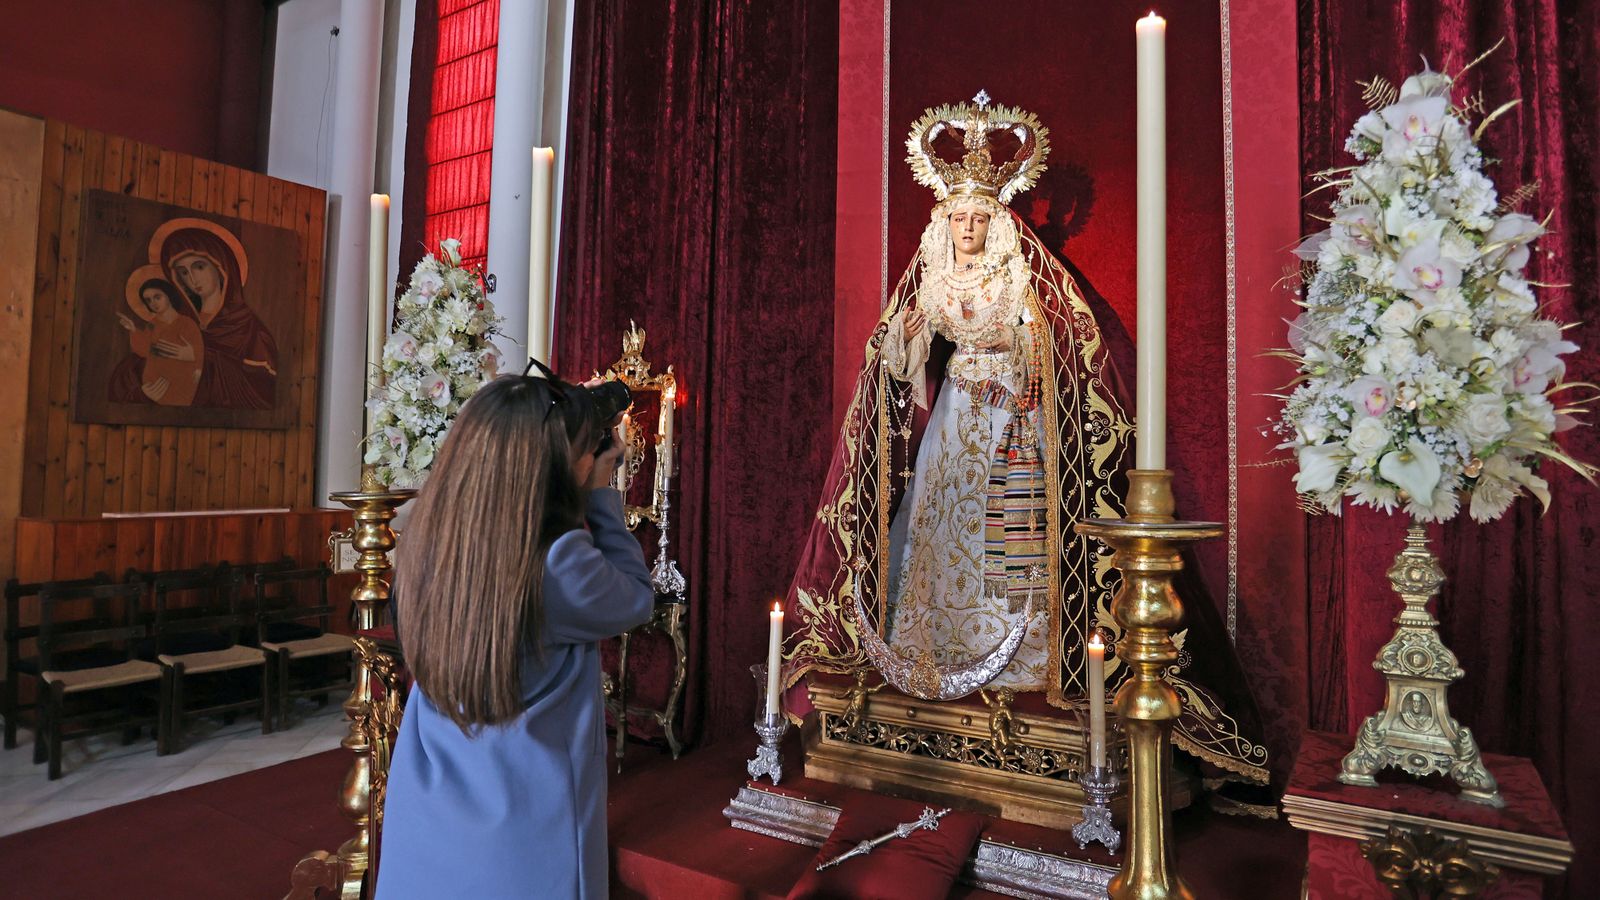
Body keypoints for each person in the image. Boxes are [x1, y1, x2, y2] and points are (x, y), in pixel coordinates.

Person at [778, 92, 1271, 787]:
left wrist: (1019, 362)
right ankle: (934, 643)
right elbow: (901, 359)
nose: (971, 228)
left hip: (1008, 422)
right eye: (961, 219)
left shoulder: (1019, 278)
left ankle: (1019, 655)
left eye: (981, 218)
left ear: (997, 221)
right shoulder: (933, 278)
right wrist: (904, 343)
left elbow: (1052, 346)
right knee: (940, 527)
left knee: (1005, 539)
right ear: (944, 221)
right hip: (953, 421)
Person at [375, 372, 654, 899]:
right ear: (546, 472)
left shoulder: (427, 548)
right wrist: (601, 496)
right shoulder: (558, 566)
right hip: (520, 842)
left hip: (428, 826)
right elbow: (635, 597)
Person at [108, 218, 279, 409]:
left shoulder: (249, 329)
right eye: (182, 272)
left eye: (199, 266)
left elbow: (265, 388)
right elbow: (140, 366)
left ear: (221, 266)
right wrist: (142, 393)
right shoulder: (175, 322)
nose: (191, 278)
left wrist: (200, 357)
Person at [116, 267, 205, 406]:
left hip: (181, 384)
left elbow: (199, 351)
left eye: (157, 297)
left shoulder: (187, 324)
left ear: (168, 296)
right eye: (148, 300)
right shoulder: (152, 325)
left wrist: (195, 359)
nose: (153, 303)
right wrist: (133, 330)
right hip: (154, 387)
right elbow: (145, 350)